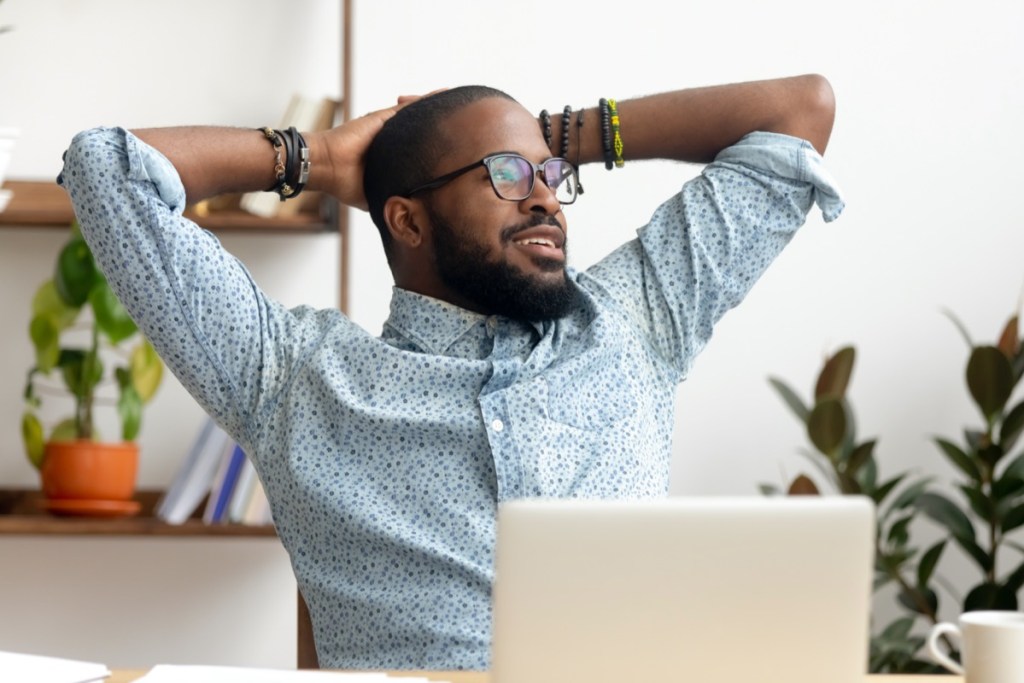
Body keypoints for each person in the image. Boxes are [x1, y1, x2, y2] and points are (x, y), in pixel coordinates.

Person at [57, 74, 844, 670]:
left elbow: (799, 112)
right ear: (406, 218)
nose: (547, 199)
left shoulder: (635, 318)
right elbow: (106, 169)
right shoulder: (293, 377)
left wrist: (557, 137)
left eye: (551, 176)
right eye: (506, 173)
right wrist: (323, 156)